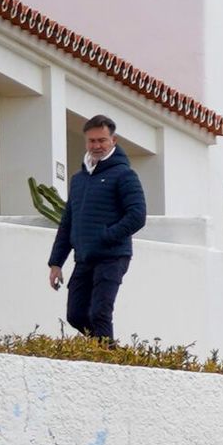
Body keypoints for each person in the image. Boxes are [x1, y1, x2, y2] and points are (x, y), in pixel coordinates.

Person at [47, 114, 147, 341]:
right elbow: (67, 222)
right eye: (92, 141)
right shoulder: (79, 179)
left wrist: (106, 235)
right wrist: (56, 263)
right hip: (84, 258)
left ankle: (105, 361)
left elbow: (137, 215)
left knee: (100, 312)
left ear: (113, 140)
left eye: (102, 140)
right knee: (75, 314)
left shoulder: (125, 175)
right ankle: (103, 350)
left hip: (113, 257)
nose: (97, 146)